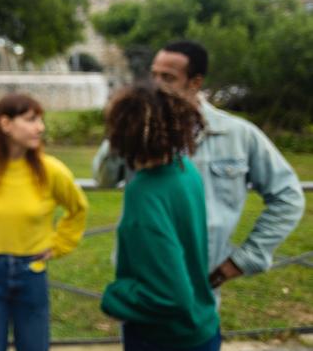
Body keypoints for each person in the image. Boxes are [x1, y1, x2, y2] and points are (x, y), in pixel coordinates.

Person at [93, 40, 304, 292]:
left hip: (203, 281)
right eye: (153, 75)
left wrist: (243, 260)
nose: (156, 85)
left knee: (198, 327)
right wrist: (122, 132)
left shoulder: (238, 135)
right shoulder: (138, 132)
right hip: (142, 280)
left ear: (195, 82)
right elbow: (103, 179)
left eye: (168, 78)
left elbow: (288, 196)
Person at [0, 93, 88, 351]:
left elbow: (78, 208)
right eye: (31, 119)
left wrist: (60, 244)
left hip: (32, 273)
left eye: (41, 119)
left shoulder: (52, 170)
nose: (41, 127)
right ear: (5, 124)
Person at [100, 82, 220, 351]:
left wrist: (113, 297)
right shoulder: (184, 169)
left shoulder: (144, 193)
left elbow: (170, 297)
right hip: (203, 329)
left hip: (164, 339)